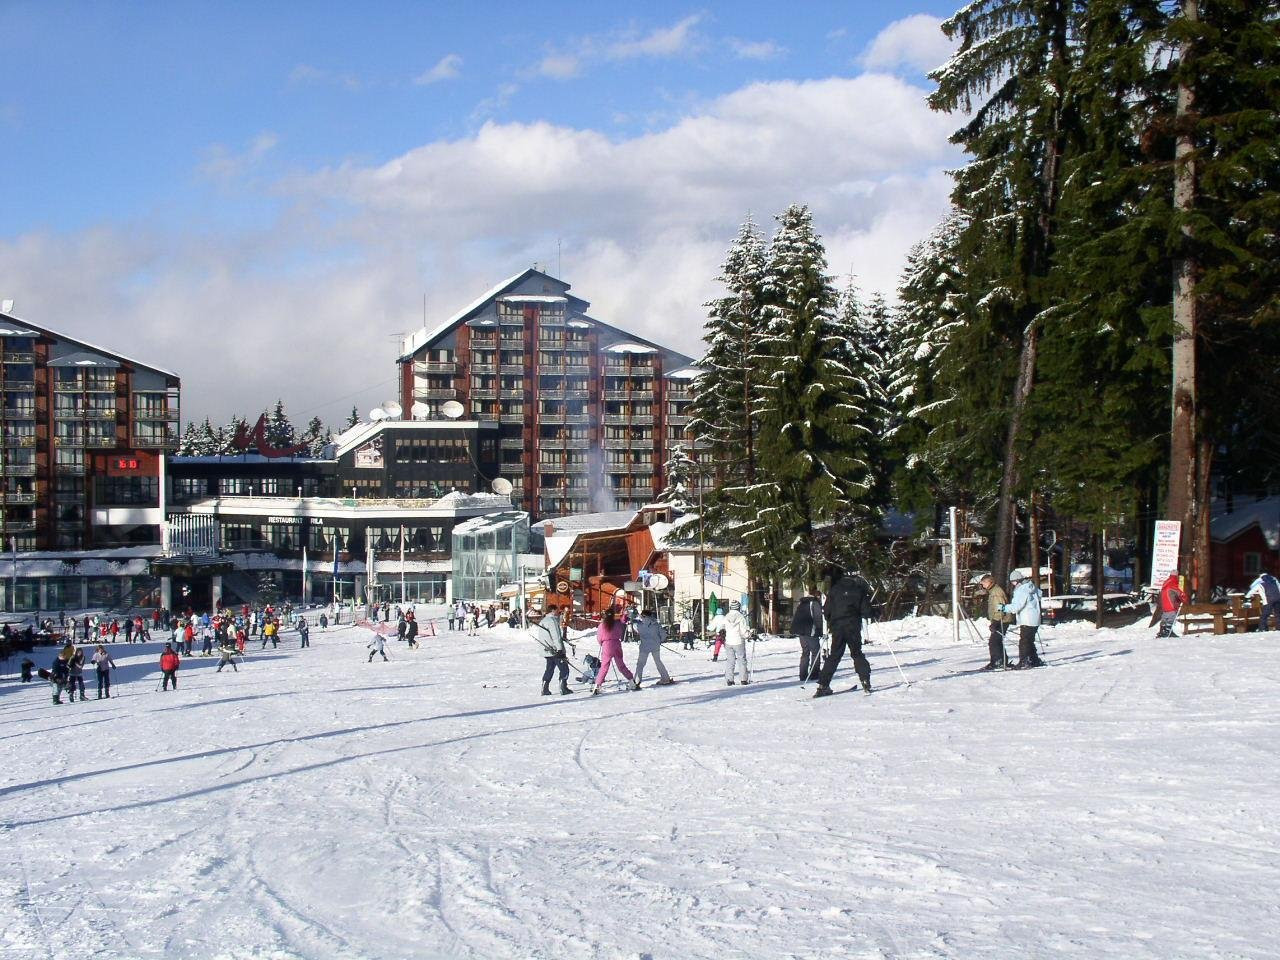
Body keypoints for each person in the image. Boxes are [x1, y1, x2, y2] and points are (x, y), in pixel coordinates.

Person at [813, 566, 874, 697]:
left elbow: (826, 610)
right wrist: (871, 612)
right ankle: (865, 680)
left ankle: (823, 685)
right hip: (853, 626)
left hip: (838, 627)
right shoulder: (859, 590)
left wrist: (830, 621)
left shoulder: (834, 590)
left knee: (834, 655)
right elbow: (866, 611)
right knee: (857, 653)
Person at [593, 607, 638, 695]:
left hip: (607, 645)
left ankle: (597, 686)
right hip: (617, 644)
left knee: (604, 667)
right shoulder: (617, 623)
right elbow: (623, 623)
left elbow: (599, 638)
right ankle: (632, 682)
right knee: (621, 665)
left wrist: (602, 643)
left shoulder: (602, 625)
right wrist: (624, 615)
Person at [1003, 573, 1045, 668]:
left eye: (1013, 582)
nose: (1013, 584)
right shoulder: (1031, 587)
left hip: (1027, 619)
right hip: (1035, 618)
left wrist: (1004, 608)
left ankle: (1024, 661)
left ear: (1017, 581)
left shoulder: (1021, 590)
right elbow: (1040, 595)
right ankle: (1034, 660)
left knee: (1024, 641)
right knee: (1029, 641)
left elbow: (1016, 607)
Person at [530, 605, 574, 696]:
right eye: (557, 610)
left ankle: (545, 688)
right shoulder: (552, 621)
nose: (558, 612)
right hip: (554, 649)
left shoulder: (543, 621)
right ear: (553, 610)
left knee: (549, 669)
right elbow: (556, 636)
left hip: (546, 649)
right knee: (564, 668)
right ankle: (563, 687)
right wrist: (560, 649)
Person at [633, 607, 675, 688]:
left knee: (640, 664)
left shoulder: (639, 625)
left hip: (644, 647)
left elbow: (636, 629)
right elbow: (663, 634)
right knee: (658, 662)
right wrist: (659, 640)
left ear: (644, 616)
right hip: (655, 646)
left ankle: (637, 681)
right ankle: (665, 678)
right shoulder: (656, 624)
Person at [979, 574, 1014, 670]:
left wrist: (995, 621)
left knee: (994, 642)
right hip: (1000, 619)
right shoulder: (993, 591)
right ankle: (1001, 660)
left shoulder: (996, 592)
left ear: (988, 582)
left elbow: (1000, 607)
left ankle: (997, 661)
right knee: (997, 641)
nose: (983, 586)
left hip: (1001, 620)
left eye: (983, 583)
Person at [791, 588, 824, 683]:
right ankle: (814, 674)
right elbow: (818, 618)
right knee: (816, 652)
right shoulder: (814, 603)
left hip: (801, 632)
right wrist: (820, 630)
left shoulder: (802, 602)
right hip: (810, 631)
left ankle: (803, 674)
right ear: (817, 596)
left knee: (805, 652)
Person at [718, 600, 752, 686]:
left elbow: (722, 628)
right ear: (738, 607)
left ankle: (729, 679)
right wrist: (749, 635)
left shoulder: (726, 617)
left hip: (728, 642)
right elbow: (743, 631)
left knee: (730, 661)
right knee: (741, 660)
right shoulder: (741, 617)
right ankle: (743, 679)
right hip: (738, 641)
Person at [1157, 571, 1184, 638]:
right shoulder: (1174, 582)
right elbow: (1179, 592)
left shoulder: (1166, 582)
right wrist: (1183, 597)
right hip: (1171, 604)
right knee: (1171, 618)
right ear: (1176, 575)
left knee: (1165, 617)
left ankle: (1162, 631)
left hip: (1164, 604)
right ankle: (1167, 631)